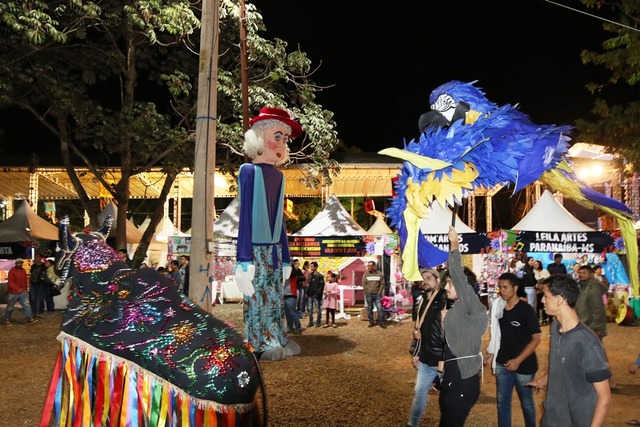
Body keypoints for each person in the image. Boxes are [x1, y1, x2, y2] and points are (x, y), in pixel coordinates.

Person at [233, 106, 303, 361]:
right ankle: (257, 343)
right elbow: (246, 218)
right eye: (277, 136)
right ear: (259, 138)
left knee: (274, 297)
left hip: (273, 249)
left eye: (284, 139)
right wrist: (243, 259)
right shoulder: (248, 171)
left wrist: (285, 257)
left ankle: (277, 337)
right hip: (255, 248)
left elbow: (280, 222)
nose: (282, 143)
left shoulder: (279, 176)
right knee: (256, 297)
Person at [526, 274, 611, 427]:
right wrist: (543, 380)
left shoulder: (586, 343)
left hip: (578, 421)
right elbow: (563, 363)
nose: (542, 300)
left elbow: (604, 397)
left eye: (545, 295)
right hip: (554, 418)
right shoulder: (556, 327)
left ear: (560, 299)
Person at [438, 226, 487, 427]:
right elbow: (454, 341)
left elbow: (457, 273)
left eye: (450, 283)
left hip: (462, 380)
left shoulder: (471, 303)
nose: (446, 287)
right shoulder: (458, 308)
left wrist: (454, 243)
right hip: (452, 376)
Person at [488, 273, 541, 427]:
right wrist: (491, 352)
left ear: (515, 288)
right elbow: (495, 333)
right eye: (500, 287)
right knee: (502, 402)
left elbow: (536, 339)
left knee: (527, 403)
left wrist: (518, 360)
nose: (501, 291)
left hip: (524, 365)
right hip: (502, 362)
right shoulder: (499, 308)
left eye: (505, 287)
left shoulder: (526, 310)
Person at [406, 268, 448, 427]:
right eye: (423, 279)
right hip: (426, 357)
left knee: (448, 397)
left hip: (444, 358)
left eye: (429, 278)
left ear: (438, 281)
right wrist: (416, 352)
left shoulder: (446, 299)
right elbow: (419, 331)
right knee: (419, 393)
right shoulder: (421, 301)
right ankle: (412, 423)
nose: (425, 281)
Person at [576, 264, 618, 390]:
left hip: (592, 327)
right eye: (580, 273)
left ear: (591, 274)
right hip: (586, 325)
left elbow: (597, 309)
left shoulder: (593, 288)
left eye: (584, 273)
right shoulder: (585, 287)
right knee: (593, 353)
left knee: (598, 354)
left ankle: (609, 381)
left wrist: (598, 328)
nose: (581, 275)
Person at [4, 258, 38, 325]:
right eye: (18, 263)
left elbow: (25, 281)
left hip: (23, 291)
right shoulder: (12, 271)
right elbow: (10, 282)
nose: (20, 264)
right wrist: (18, 289)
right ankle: (7, 319)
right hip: (13, 292)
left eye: (21, 263)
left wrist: (25, 289)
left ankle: (29, 319)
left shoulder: (23, 270)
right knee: (10, 307)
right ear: (16, 263)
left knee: (26, 305)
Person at [362, 260, 386, 329]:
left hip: (377, 295)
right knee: (369, 308)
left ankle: (382, 322)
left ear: (374, 266)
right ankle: (371, 322)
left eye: (369, 266)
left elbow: (382, 284)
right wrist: (366, 292)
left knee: (380, 308)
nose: (368, 267)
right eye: (368, 265)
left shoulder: (380, 274)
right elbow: (364, 284)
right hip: (369, 295)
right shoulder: (366, 274)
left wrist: (379, 292)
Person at [283, 261, 302, 335]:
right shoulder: (286, 273)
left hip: (291, 295)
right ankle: (290, 328)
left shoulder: (293, 273)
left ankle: (298, 328)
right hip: (285, 295)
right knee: (287, 313)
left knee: (292, 313)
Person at [306, 261, 325, 328]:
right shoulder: (310, 275)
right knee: (310, 309)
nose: (311, 267)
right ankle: (310, 322)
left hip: (316, 295)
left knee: (318, 309)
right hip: (310, 295)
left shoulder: (320, 276)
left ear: (316, 267)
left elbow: (321, 286)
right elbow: (308, 284)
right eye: (310, 266)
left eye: (312, 266)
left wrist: (317, 294)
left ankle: (318, 322)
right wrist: (307, 293)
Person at [29, 254, 48, 318]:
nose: (37, 258)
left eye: (38, 257)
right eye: (36, 257)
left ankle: (39, 311)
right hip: (33, 283)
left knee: (39, 298)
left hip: (40, 284)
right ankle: (34, 311)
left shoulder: (43, 266)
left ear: (40, 258)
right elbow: (31, 274)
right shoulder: (33, 266)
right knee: (33, 298)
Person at [533, 259, 550, 325]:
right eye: (534, 264)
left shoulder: (545, 271)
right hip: (536, 290)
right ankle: (538, 319)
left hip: (544, 290)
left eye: (537, 264)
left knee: (544, 305)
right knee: (537, 306)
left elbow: (549, 279)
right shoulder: (533, 272)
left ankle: (545, 319)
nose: (535, 265)